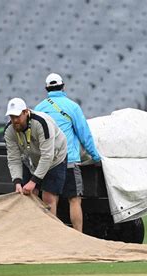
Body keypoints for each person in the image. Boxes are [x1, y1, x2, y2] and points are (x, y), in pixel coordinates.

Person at [35, 73, 101, 232]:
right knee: (74, 200)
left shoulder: (39, 108)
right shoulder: (72, 107)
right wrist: (96, 156)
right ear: (63, 87)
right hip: (70, 160)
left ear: (46, 89)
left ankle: (52, 236)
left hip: (49, 162)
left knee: (51, 201)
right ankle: (77, 237)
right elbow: (84, 134)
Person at [4, 97, 67, 216]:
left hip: (55, 158)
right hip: (32, 159)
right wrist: (17, 182)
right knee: (28, 195)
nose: (15, 120)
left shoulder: (41, 124)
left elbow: (48, 156)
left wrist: (33, 181)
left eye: (18, 116)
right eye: (12, 117)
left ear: (26, 112)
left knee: (48, 198)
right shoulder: (9, 130)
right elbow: (13, 158)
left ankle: (50, 231)